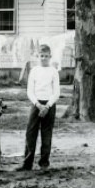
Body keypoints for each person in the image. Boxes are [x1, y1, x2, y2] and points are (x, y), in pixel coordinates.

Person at [18, 44, 60, 172]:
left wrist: (47, 106)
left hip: (49, 105)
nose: (44, 58)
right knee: (31, 133)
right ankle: (27, 164)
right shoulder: (34, 70)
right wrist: (38, 104)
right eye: (42, 56)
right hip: (36, 104)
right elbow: (30, 91)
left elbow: (56, 92)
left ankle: (44, 163)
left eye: (46, 56)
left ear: (50, 57)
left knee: (46, 134)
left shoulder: (53, 71)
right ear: (38, 56)